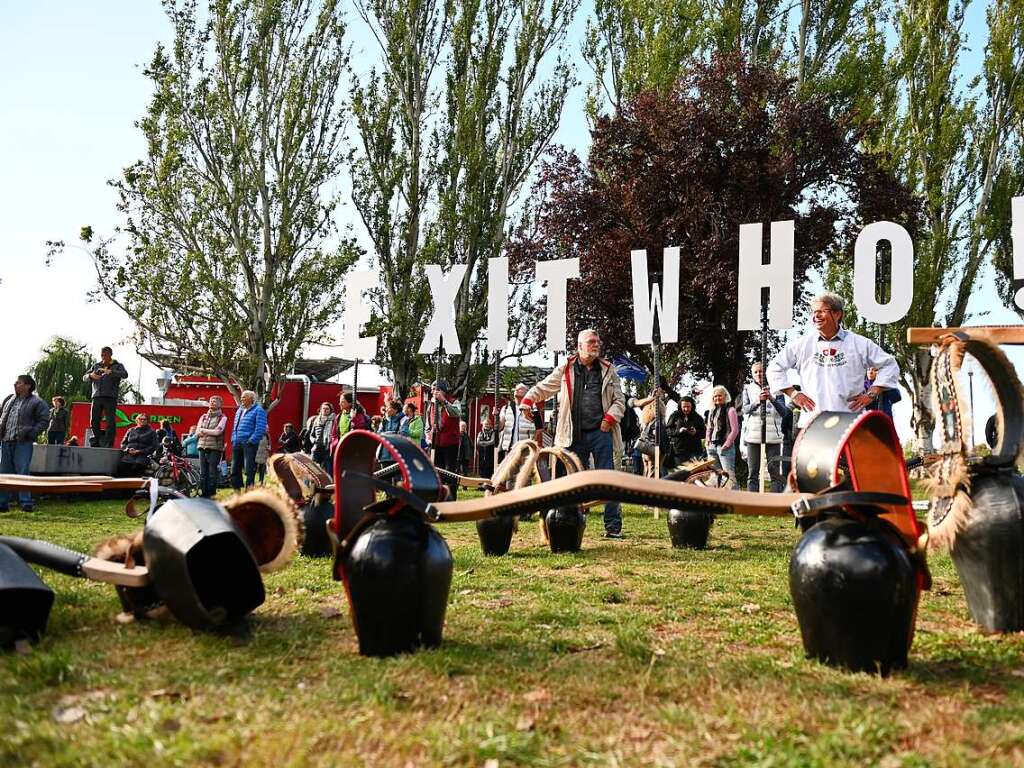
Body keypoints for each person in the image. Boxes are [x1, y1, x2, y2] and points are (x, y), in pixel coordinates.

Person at [520, 329, 627, 538]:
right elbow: (544, 387)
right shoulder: (566, 368)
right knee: (568, 481)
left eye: (598, 341)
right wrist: (527, 400)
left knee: (609, 478)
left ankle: (613, 526)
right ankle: (566, 521)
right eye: (591, 342)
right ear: (579, 346)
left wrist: (609, 420)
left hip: (600, 432)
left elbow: (619, 401)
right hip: (572, 435)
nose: (597, 345)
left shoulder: (608, 370)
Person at [767, 293, 899, 430]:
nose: (816, 315)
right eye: (814, 312)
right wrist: (793, 394)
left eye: (822, 311)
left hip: (851, 423)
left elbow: (890, 365)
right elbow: (774, 368)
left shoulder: (859, 343)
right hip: (813, 423)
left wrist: (871, 394)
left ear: (837, 314)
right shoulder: (802, 344)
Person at [0, 375, 50, 512]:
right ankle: (2, 503)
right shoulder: (8, 399)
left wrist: (32, 433)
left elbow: (44, 420)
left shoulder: (37, 402)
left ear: (28, 386)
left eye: (19, 382)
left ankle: (26, 502)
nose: (15, 384)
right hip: (5, 441)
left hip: (23, 442)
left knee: (22, 472)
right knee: (3, 473)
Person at [741, 362, 787, 493]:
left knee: (774, 470)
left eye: (761, 371)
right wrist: (757, 402)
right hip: (754, 435)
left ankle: (774, 502)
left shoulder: (777, 388)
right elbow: (745, 409)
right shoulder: (748, 389)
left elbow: (784, 412)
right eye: (755, 372)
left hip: (773, 435)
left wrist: (771, 398)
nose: (759, 374)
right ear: (752, 374)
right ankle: (752, 502)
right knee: (753, 471)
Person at [83, 346, 128, 447]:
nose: (103, 357)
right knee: (94, 420)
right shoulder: (96, 365)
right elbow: (84, 377)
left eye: (106, 355)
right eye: (102, 355)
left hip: (110, 397)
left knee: (110, 421)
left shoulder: (117, 365)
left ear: (110, 355)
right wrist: (91, 376)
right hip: (97, 396)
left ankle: (108, 442)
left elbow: (125, 374)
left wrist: (111, 372)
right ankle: (97, 440)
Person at [428, 380, 462, 500]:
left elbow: (456, 413)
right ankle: (439, 497)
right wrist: (429, 434)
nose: (432, 391)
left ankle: (451, 498)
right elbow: (429, 424)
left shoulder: (454, 402)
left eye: (434, 389)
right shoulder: (431, 404)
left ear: (441, 390)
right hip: (436, 443)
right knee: (437, 472)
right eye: (432, 389)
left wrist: (444, 401)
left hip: (450, 442)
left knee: (450, 472)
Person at [230, 390, 267, 491]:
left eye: (244, 397)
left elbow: (260, 428)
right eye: (241, 397)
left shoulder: (259, 410)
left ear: (251, 399)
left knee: (249, 470)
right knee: (234, 470)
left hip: (249, 444)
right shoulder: (239, 410)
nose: (242, 399)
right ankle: (237, 493)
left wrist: (251, 441)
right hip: (237, 443)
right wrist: (233, 439)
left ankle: (248, 492)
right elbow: (235, 427)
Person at [705, 385, 740, 490]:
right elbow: (709, 428)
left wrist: (727, 443)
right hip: (712, 446)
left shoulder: (731, 410)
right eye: (715, 396)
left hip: (725, 447)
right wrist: (707, 441)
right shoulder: (712, 411)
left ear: (725, 396)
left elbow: (735, 430)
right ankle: (719, 498)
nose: (717, 398)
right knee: (715, 475)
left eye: (719, 396)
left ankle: (736, 498)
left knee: (729, 476)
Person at [196, 395, 227, 498]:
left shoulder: (223, 418)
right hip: (201, 447)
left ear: (220, 404)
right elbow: (197, 432)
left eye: (215, 401)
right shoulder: (203, 416)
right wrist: (204, 431)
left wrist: (204, 430)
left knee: (212, 473)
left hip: (215, 448)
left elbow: (218, 431)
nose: (212, 403)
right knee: (203, 472)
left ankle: (211, 495)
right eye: (211, 401)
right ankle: (203, 494)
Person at [497, 383, 537, 462]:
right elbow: (500, 427)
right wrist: (496, 417)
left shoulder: (532, 408)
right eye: (516, 388)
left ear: (526, 393)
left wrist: (532, 443)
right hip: (509, 448)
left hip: (525, 448)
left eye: (520, 389)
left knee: (522, 472)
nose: (517, 390)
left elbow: (539, 428)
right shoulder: (505, 408)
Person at [665, 395, 705, 465]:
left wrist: (696, 432)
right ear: (680, 406)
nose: (686, 409)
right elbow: (668, 430)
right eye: (684, 407)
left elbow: (704, 433)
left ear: (692, 406)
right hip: (679, 452)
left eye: (688, 407)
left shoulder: (698, 417)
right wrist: (679, 431)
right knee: (682, 474)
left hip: (695, 451)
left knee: (695, 474)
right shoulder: (674, 416)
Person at [117, 412, 158, 477]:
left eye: (144, 419)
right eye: (140, 419)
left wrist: (139, 451)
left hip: (142, 457)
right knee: (120, 468)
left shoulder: (152, 432)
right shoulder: (130, 430)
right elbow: (123, 444)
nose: (142, 420)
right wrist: (128, 449)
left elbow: (154, 446)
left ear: (147, 421)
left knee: (136, 468)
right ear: (137, 420)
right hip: (128, 456)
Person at [310, 402, 336, 474]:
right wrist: (314, 440)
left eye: (327, 409)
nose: (325, 410)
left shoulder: (334, 420)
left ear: (330, 410)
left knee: (328, 470)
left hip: (327, 449)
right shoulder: (316, 420)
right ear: (320, 410)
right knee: (313, 470)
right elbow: (311, 434)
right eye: (323, 408)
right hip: (316, 448)